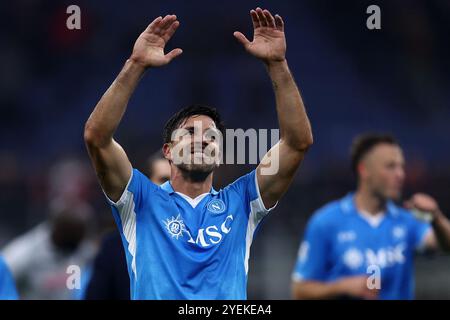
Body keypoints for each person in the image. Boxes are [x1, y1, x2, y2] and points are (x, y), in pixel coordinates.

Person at [84, 7, 313, 299]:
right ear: (167, 151)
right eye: (189, 133)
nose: (201, 140)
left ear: (219, 155)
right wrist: (135, 64)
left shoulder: (243, 201)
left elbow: (297, 143)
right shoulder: (140, 200)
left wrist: (277, 64)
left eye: (211, 137)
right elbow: (97, 137)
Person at [291, 134, 450, 300]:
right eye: (390, 167)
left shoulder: (407, 221)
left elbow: (446, 246)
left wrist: (436, 217)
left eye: (401, 167)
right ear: (364, 170)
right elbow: (300, 291)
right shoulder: (325, 222)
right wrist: (341, 286)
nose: (400, 174)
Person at [84, 152, 170, 300]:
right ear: (145, 186)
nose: (173, 188)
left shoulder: (207, 241)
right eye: (164, 180)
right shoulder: (115, 247)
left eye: (180, 181)